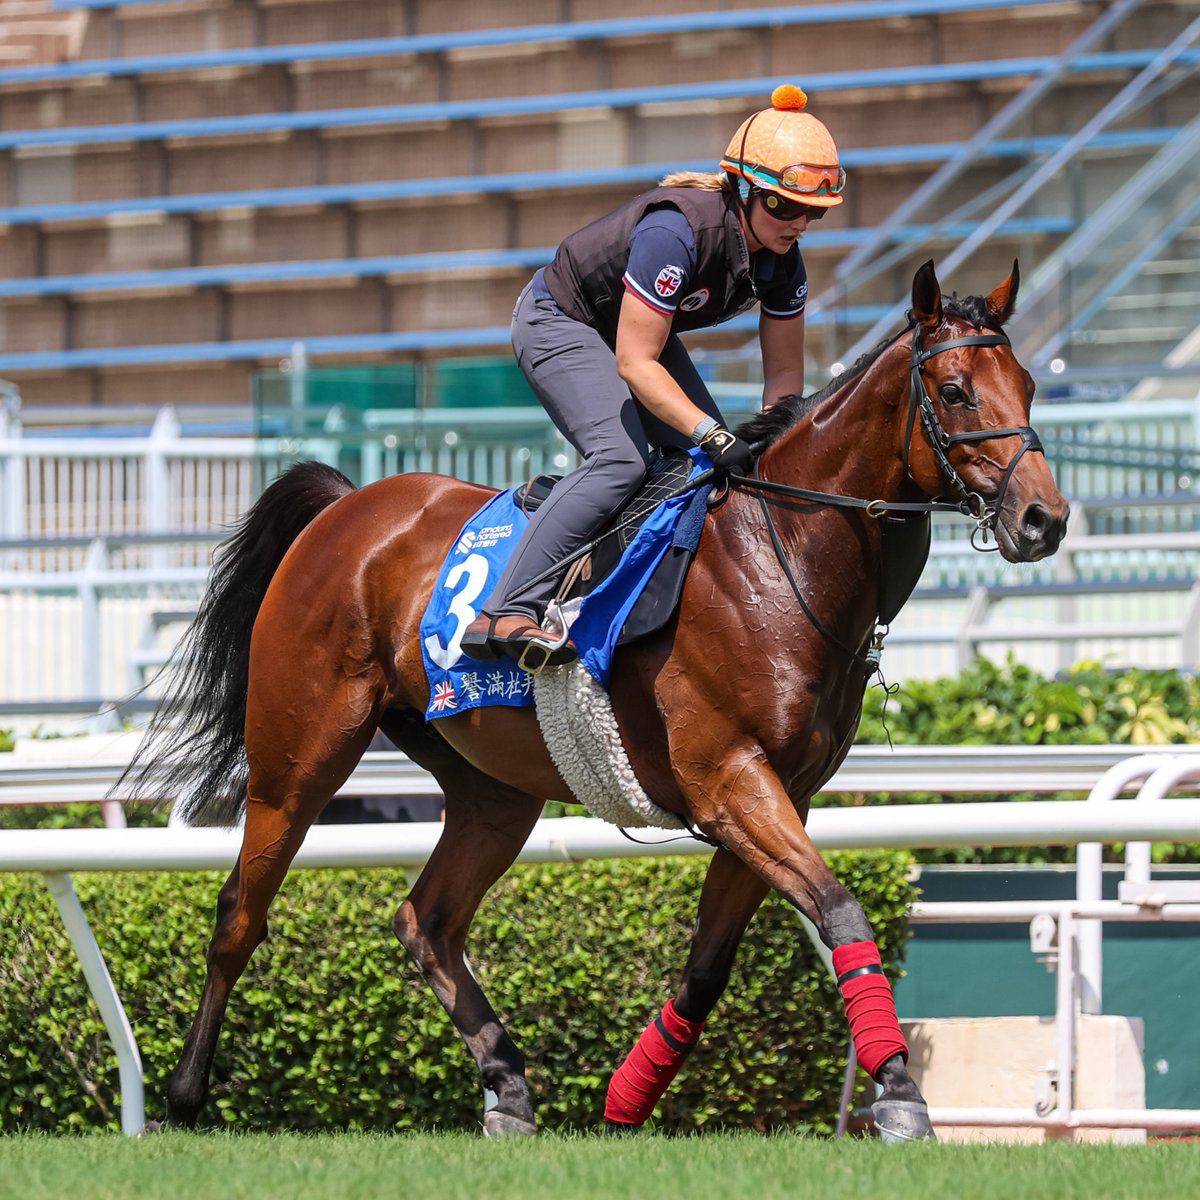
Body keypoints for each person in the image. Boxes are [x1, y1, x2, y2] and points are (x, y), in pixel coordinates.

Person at [461, 83, 846, 671]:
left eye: (812, 212)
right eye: (784, 206)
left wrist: (773, 456)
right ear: (742, 191)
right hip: (560, 320)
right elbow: (634, 362)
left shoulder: (784, 262)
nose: (799, 223)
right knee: (622, 459)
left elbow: (785, 383)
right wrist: (713, 434)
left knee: (712, 472)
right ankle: (508, 606)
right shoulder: (676, 232)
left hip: (633, 334)